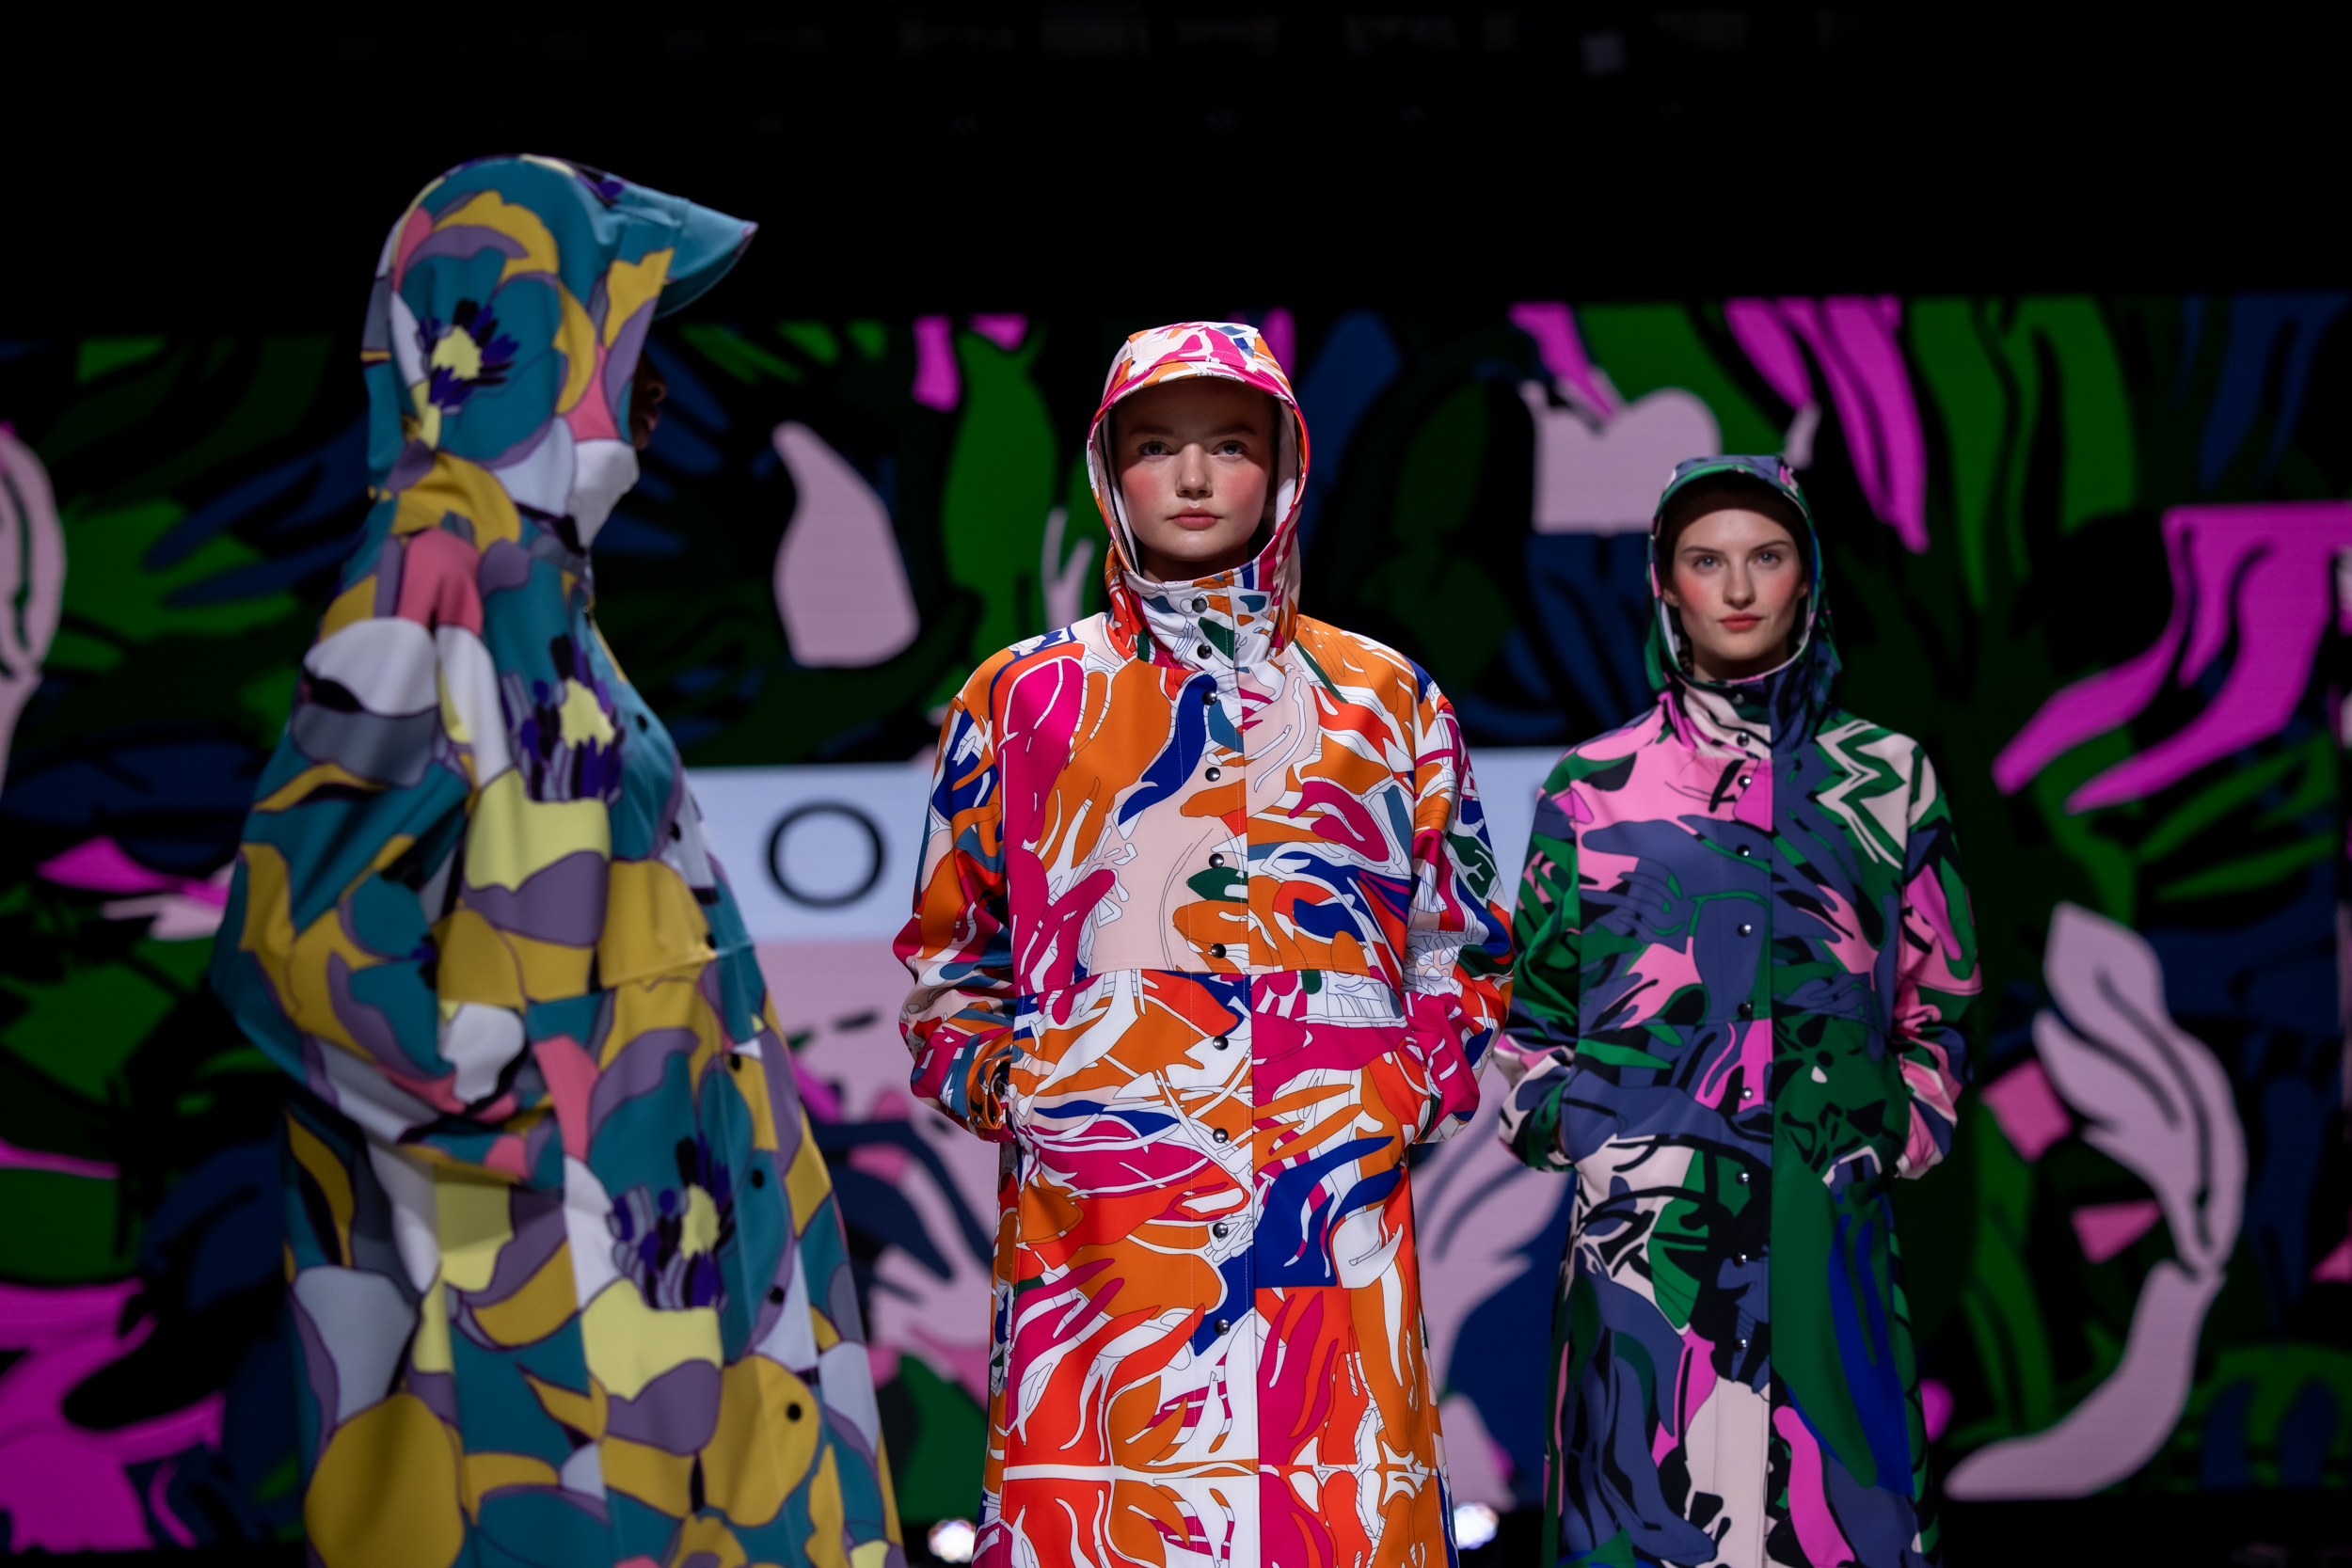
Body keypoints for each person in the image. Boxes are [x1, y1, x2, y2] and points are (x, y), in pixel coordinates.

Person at [210, 157, 901, 1568]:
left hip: (661, 1243)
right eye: (625, 317)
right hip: (564, 1283)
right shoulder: (434, 563)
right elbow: (295, 927)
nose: (656, 377)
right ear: (533, 332)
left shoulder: (532, 578)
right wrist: (532, 1124)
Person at [896, 322, 1515, 1568]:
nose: (1189, 477)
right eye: (1154, 447)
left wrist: (1400, 1091)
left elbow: (1464, 938)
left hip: (1329, 1214)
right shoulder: (1022, 697)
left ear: (1282, 467)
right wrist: (1024, 1089)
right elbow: (952, 956)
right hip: (1102, 1224)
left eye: (1228, 444)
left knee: (1336, 1522)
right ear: (1105, 472)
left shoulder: (1386, 697)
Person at [1493, 457, 1977, 1568]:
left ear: (1809, 574)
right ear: (1665, 583)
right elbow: (1532, 1013)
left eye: (1767, 555)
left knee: (1841, 1524)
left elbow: (1939, 995)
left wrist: (1898, 1128)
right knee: (1642, 1522)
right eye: (1706, 560)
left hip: (1827, 1233)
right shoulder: (1590, 786)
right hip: (1644, 1258)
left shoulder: (1888, 779)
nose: (1741, 587)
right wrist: (1586, 1134)